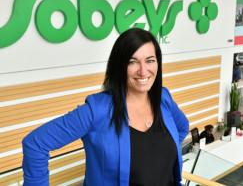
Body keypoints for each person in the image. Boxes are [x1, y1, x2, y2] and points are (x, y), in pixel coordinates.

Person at [22, 28, 190, 186]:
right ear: (119, 66)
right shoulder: (96, 110)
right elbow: (35, 145)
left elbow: (182, 127)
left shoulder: (163, 98)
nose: (143, 71)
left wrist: (156, 155)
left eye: (150, 60)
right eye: (133, 62)